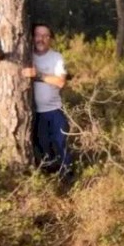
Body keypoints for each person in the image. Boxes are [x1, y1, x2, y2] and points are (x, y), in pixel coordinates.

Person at [21, 23, 72, 174]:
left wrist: (38, 75)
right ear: (31, 37)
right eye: (37, 35)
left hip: (54, 111)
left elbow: (60, 82)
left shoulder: (56, 57)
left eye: (45, 36)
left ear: (50, 39)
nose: (41, 39)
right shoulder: (25, 55)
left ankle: (68, 177)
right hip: (34, 114)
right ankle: (50, 180)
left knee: (61, 145)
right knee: (42, 148)